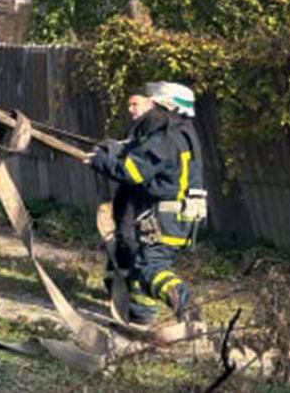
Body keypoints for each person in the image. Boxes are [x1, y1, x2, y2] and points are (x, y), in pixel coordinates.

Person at [87, 81, 206, 327]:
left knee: (151, 266)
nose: (149, 109)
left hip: (168, 219)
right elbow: (140, 151)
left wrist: (100, 160)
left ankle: (186, 305)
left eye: (155, 104)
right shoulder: (180, 133)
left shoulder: (167, 136)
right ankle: (141, 316)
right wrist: (115, 148)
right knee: (138, 260)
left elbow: (133, 171)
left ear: (166, 107)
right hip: (176, 217)